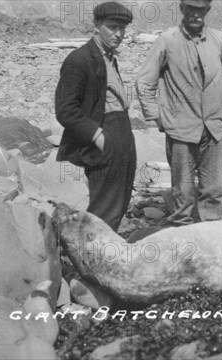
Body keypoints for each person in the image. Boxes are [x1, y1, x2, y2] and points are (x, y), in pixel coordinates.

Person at [136, 0, 222, 226]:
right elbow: (145, 81)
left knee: (214, 190)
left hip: (215, 129)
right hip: (181, 130)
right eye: (191, 9)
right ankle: (182, 239)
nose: (196, 15)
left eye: (201, 10)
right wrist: (156, 116)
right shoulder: (168, 40)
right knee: (182, 192)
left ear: (207, 11)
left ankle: (210, 234)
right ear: (182, 9)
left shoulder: (218, 39)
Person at [55, 1, 136, 232]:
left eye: (123, 28)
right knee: (103, 207)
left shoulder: (109, 57)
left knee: (120, 201)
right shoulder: (79, 59)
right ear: (97, 25)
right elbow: (65, 109)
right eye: (112, 27)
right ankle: (88, 260)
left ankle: (106, 255)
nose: (119, 34)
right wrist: (98, 136)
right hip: (103, 136)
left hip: (121, 132)